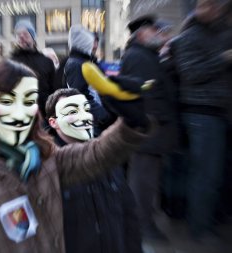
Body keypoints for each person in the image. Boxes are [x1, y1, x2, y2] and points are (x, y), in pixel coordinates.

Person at [0, 59, 152, 253]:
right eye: (6, 100)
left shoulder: (44, 156)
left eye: (28, 100)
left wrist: (130, 123)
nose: (19, 113)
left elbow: (94, 155)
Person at [45, 88, 142, 253]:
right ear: (53, 122)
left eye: (87, 109)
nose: (85, 116)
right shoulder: (47, 167)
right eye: (72, 111)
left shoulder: (106, 157)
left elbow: (128, 212)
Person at [170, 0, 232, 240]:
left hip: (218, 113)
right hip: (201, 115)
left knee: (215, 173)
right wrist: (223, 59)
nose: (214, 8)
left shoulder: (219, 33)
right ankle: (199, 227)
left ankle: (210, 218)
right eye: (207, 4)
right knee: (205, 174)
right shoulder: (188, 38)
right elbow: (191, 73)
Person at [120, 14, 177, 241]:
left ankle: (144, 223)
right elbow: (144, 96)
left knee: (147, 181)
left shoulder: (145, 55)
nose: (158, 34)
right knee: (143, 183)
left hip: (150, 132)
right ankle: (142, 227)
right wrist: (158, 120)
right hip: (148, 132)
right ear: (142, 33)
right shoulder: (138, 56)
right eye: (154, 30)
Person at [64, 25, 110, 135]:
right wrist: (104, 115)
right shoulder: (76, 64)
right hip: (92, 122)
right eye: (91, 41)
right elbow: (80, 95)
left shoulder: (87, 62)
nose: (94, 45)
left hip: (96, 120)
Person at [10, 20, 55, 118]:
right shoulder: (11, 62)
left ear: (33, 37)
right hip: (21, 113)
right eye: (18, 35)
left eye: (25, 34)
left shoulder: (46, 61)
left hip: (44, 113)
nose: (21, 37)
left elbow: (54, 88)